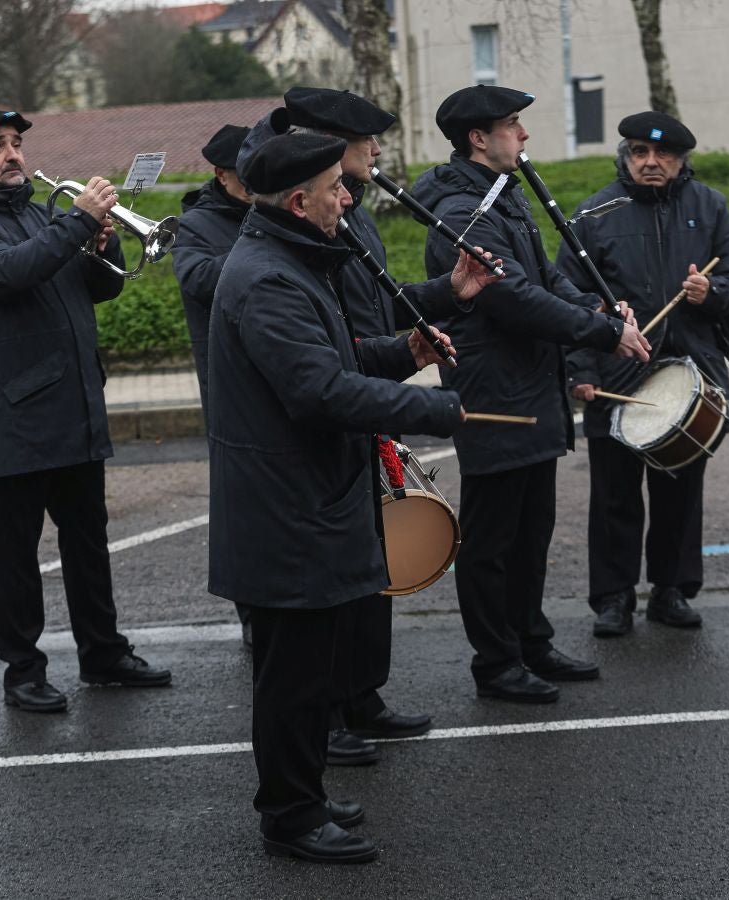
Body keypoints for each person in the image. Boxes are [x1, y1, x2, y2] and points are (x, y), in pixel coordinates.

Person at [207, 131, 497, 863]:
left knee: (308, 673)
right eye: (337, 187)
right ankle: (290, 817)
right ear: (300, 201)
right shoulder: (269, 278)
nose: (348, 197)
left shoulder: (288, 260)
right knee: (292, 678)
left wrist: (408, 353)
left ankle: (300, 793)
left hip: (306, 502)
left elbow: (335, 356)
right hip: (288, 511)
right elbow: (317, 391)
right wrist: (434, 407)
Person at [412, 85, 650, 703]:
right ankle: (495, 662)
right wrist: (603, 331)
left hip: (531, 390)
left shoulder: (501, 198)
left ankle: (529, 639)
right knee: (492, 541)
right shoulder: (462, 213)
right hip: (496, 392)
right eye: (513, 125)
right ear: (478, 138)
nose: (524, 135)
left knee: (532, 529)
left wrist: (598, 309)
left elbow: (547, 280)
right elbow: (511, 298)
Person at [0, 109, 171, 713]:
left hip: (73, 405)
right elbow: (12, 272)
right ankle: (23, 671)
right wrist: (75, 225)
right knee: (15, 553)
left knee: (88, 542)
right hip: (11, 418)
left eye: (16, 144)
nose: (13, 155)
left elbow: (98, 288)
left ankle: (104, 654)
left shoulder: (43, 216)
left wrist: (104, 243)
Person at [282, 86, 460, 762]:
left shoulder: (354, 214)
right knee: (337, 568)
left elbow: (379, 307)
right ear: (331, 145)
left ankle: (362, 695)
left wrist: (448, 295)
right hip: (343, 402)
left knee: (371, 556)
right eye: (368, 139)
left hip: (368, 395)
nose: (378, 150)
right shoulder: (308, 223)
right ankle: (326, 717)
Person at [560, 110, 729, 637]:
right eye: (640, 154)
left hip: (691, 375)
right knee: (614, 495)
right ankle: (613, 598)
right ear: (626, 156)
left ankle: (671, 590)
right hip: (615, 373)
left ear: (680, 160)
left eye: (662, 155)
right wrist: (578, 369)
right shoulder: (594, 214)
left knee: (680, 491)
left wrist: (712, 294)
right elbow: (569, 298)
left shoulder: (709, 207)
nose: (651, 163)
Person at [171, 123, 255, 646]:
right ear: (222, 175)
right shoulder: (197, 224)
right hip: (230, 386)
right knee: (246, 508)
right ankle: (255, 617)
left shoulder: (268, 212)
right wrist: (263, 247)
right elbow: (199, 279)